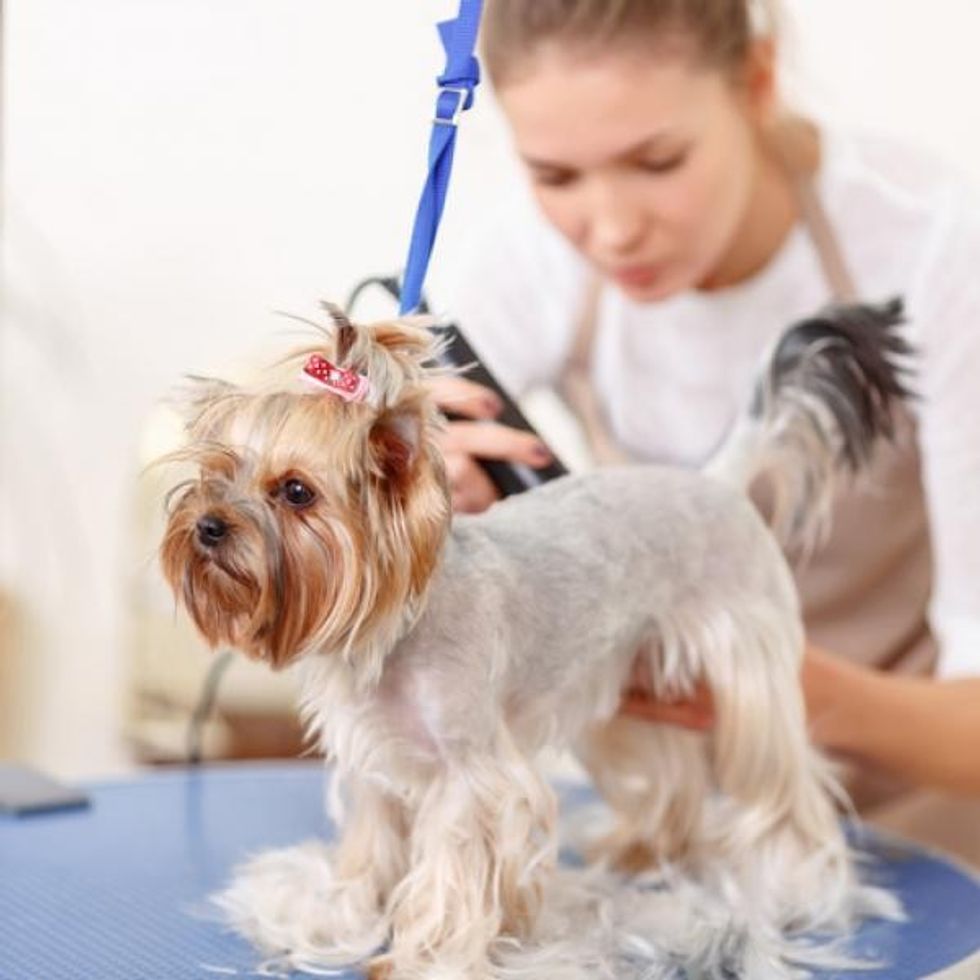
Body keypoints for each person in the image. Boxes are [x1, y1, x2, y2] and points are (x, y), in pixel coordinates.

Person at [430, 0, 980, 865]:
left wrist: (757, 679)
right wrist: (432, 517)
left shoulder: (933, 245)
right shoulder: (526, 263)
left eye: (658, 162)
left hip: (924, 815)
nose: (612, 229)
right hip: (665, 812)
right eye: (556, 177)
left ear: (756, 84)